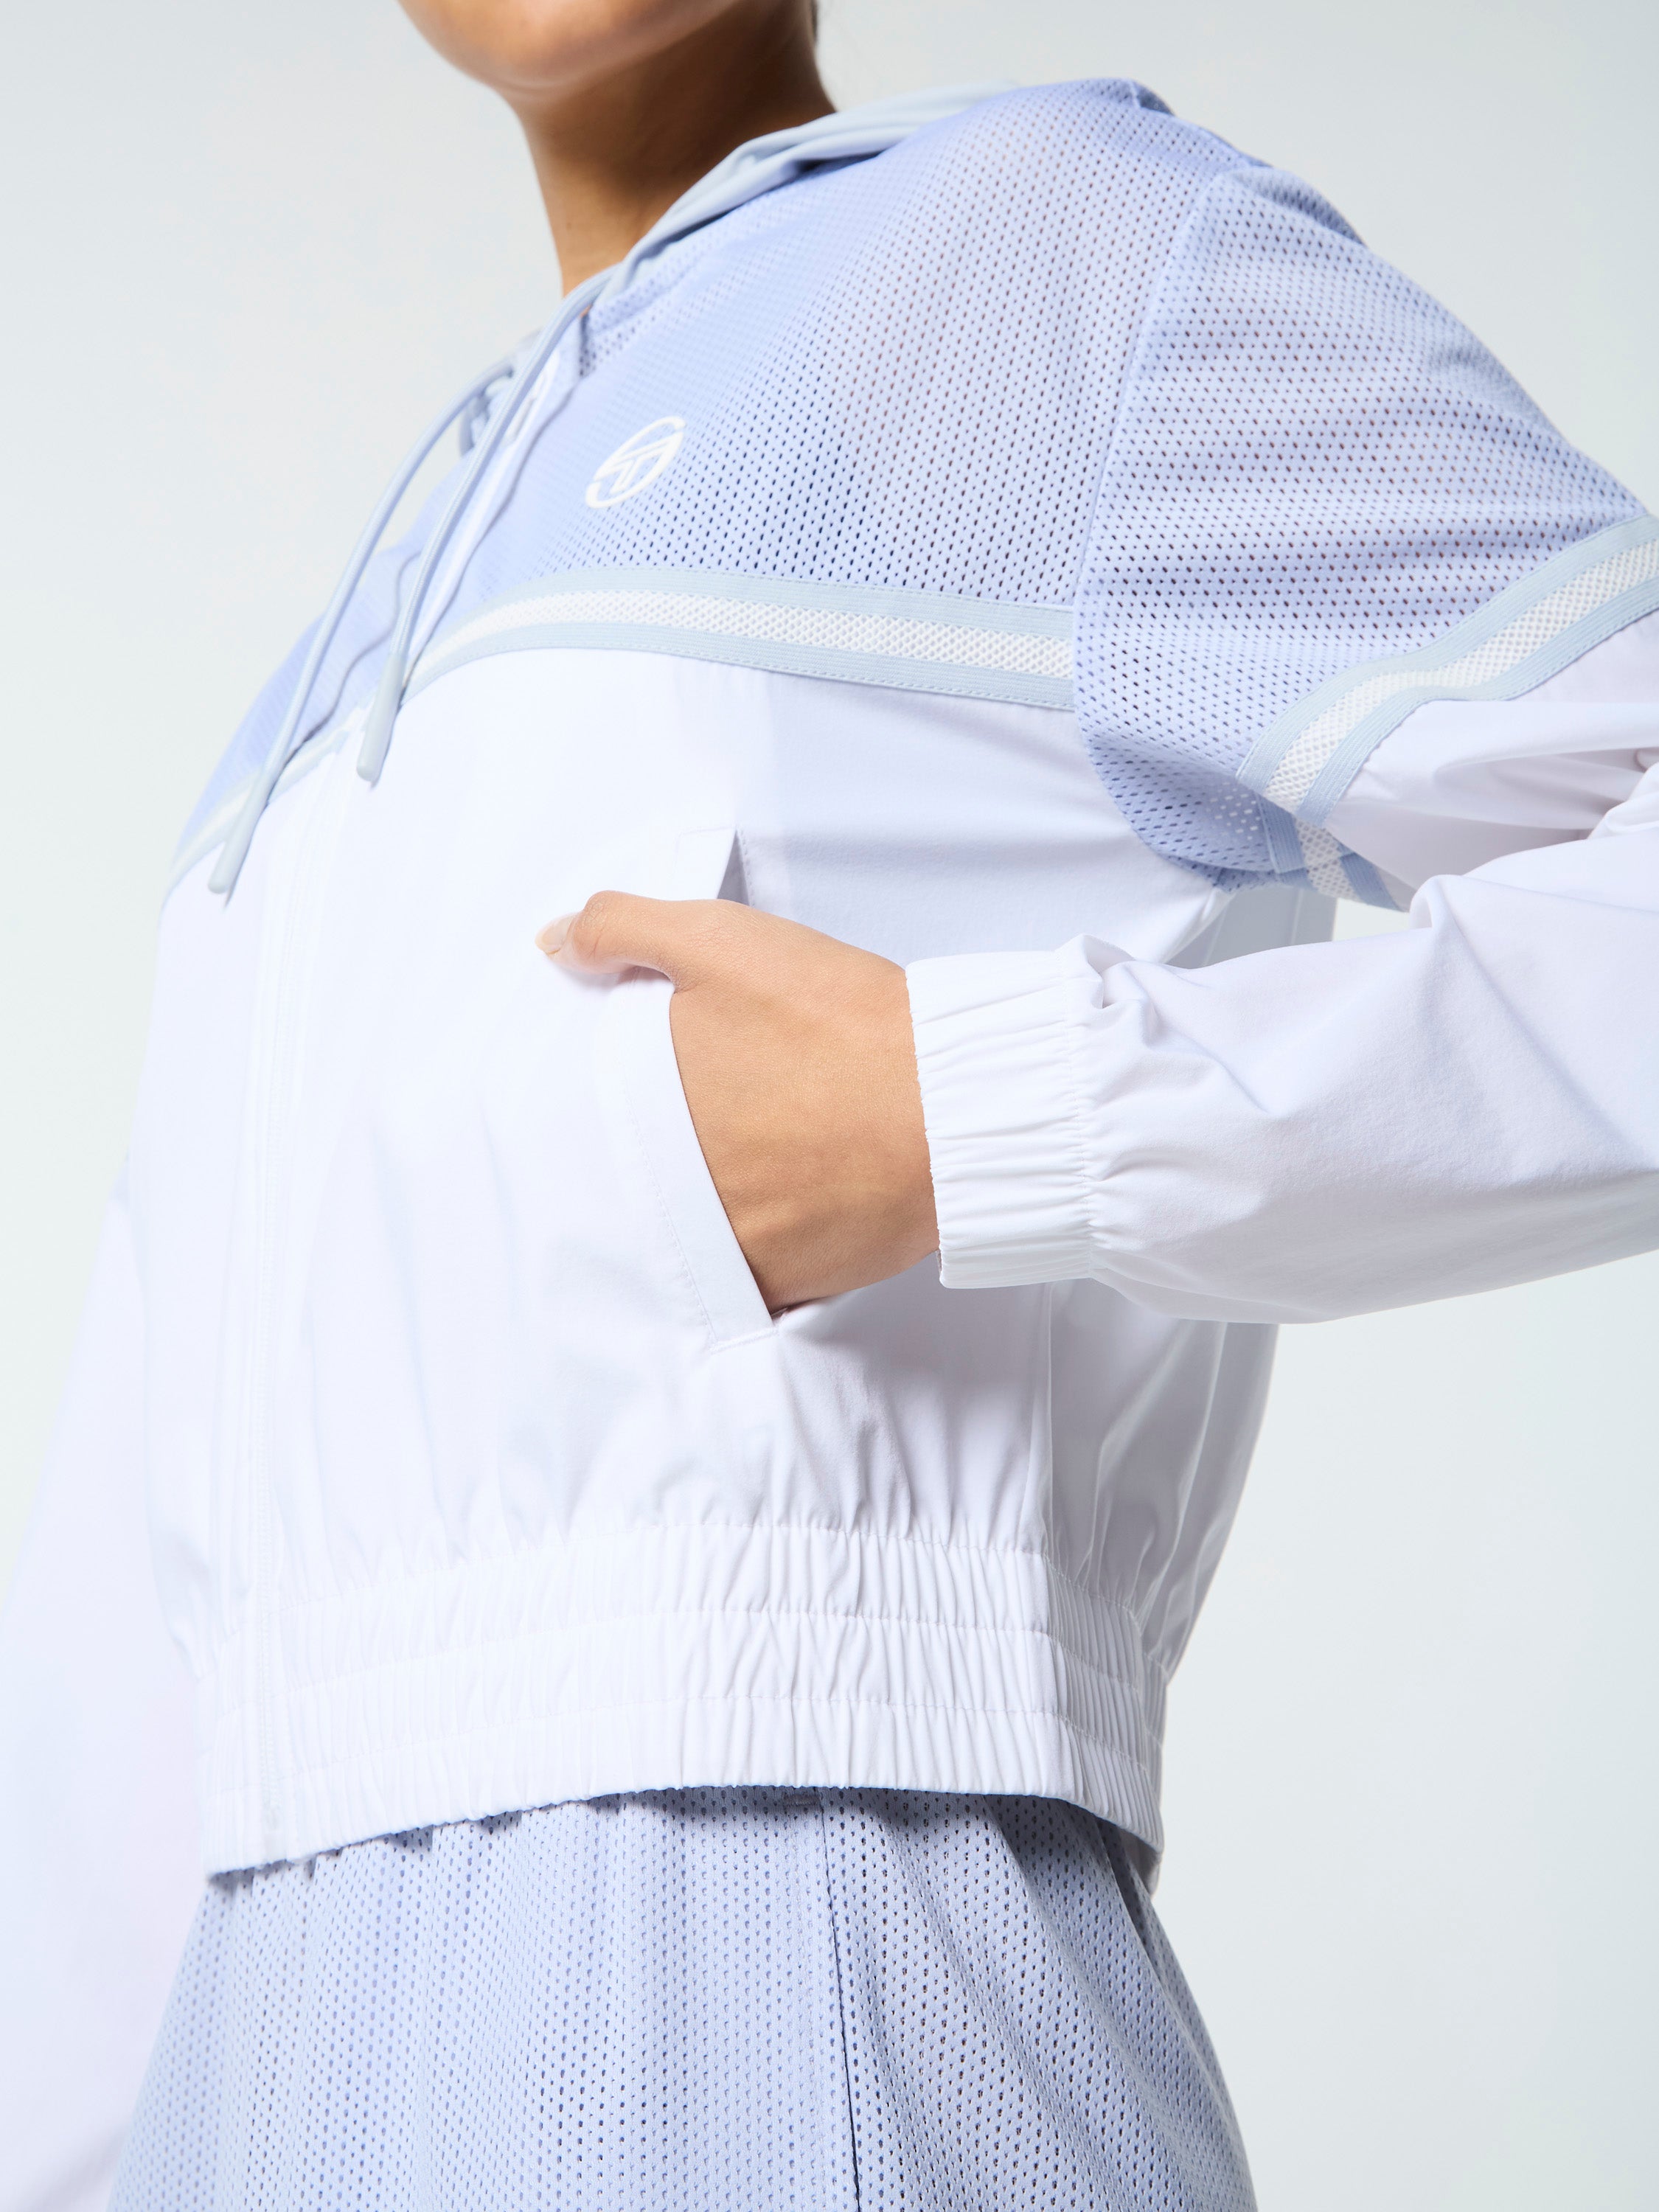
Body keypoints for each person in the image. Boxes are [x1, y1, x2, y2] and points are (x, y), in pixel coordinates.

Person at [3, 0, 1656, 2204]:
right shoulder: (329, 675)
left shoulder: (1055, 253)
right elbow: (135, 1638)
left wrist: (993, 1113)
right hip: (244, 2083)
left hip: (806, 1997)